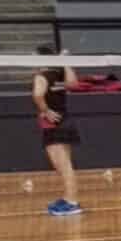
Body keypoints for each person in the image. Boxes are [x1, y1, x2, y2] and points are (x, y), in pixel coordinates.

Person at [31, 64, 83, 216]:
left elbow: (37, 94)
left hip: (55, 124)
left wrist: (45, 110)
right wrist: (65, 62)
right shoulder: (60, 75)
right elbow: (74, 84)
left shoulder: (41, 76)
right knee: (62, 165)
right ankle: (68, 198)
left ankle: (72, 203)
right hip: (64, 121)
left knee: (64, 166)